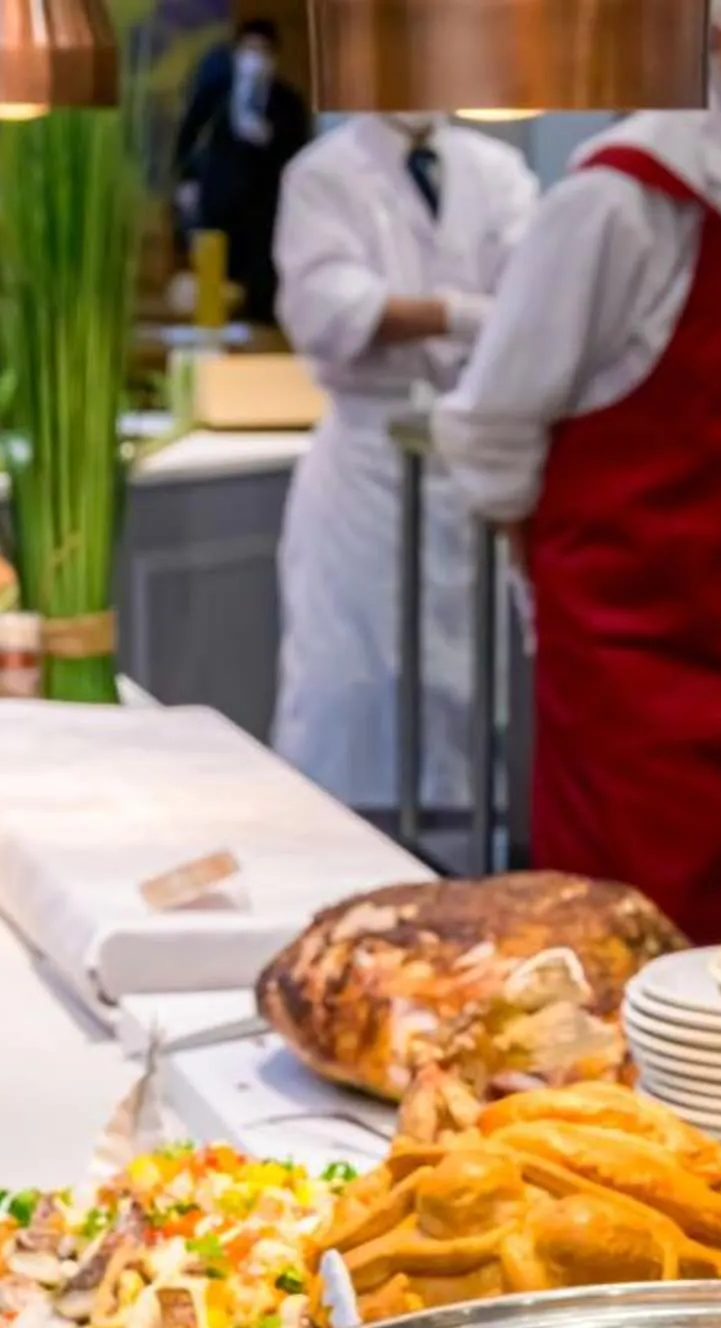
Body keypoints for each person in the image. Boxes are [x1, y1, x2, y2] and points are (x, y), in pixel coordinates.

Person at [432, 0, 721, 943]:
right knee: (617, 953)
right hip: (631, 663)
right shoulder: (618, 197)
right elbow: (492, 422)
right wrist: (559, 594)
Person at [272, 114, 537, 811]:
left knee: (460, 690)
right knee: (352, 688)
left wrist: (461, 317)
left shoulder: (498, 172)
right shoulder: (322, 173)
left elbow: (533, 293)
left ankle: (455, 847)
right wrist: (452, 313)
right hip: (366, 469)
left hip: (465, 460)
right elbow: (326, 308)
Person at [175, 16, 315, 329]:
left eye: (262, 51)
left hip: (265, 210)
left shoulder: (287, 102)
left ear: (274, 57)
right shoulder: (216, 92)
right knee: (215, 285)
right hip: (218, 203)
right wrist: (186, 182)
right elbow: (188, 138)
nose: (255, 58)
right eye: (248, 50)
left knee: (260, 286)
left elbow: (299, 155)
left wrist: (269, 137)